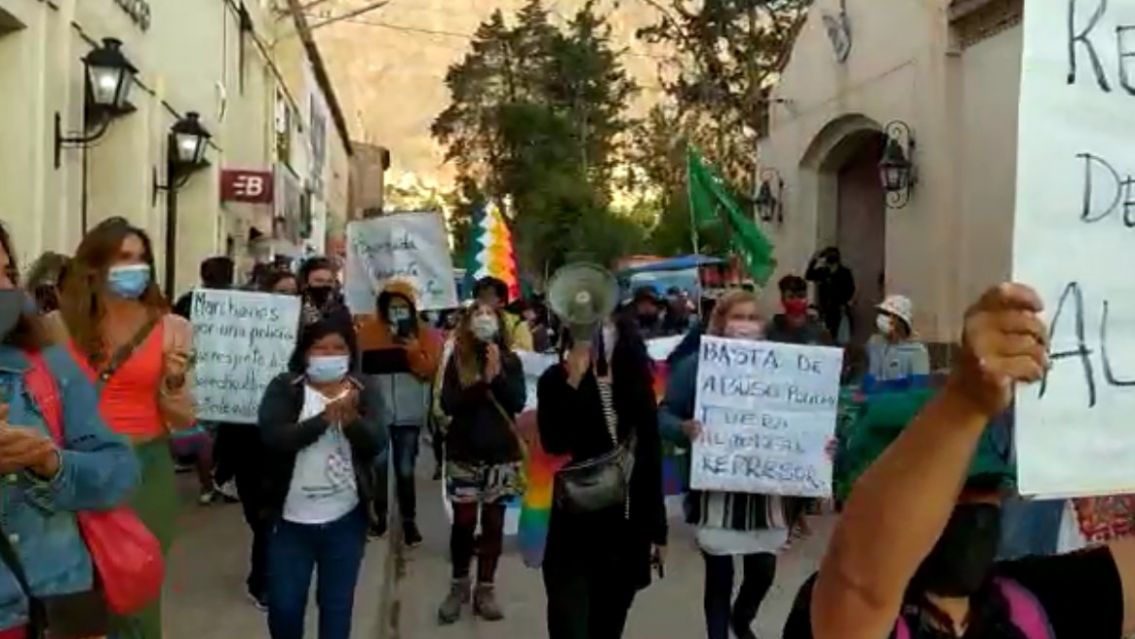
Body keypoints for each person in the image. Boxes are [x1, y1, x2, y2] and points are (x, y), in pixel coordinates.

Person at [788, 282, 1135, 639]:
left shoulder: (1030, 604)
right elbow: (863, 577)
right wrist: (967, 401)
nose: (978, 510)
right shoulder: (835, 615)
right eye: (949, 492)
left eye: (984, 487)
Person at [52, 217, 195, 639]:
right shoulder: (57, 328)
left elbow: (185, 418)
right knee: (80, 596)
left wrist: (171, 382)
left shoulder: (171, 328)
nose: (135, 268)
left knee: (137, 589)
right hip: (77, 470)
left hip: (144, 469)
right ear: (93, 266)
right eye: (122, 258)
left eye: (140, 259)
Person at [0, 222, 139, 639]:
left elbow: (119, 471)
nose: (5, 288)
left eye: (7, 273)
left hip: (53, 603)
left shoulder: (47, 367)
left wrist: (49, 463)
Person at [659, 289, 808, 639]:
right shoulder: (696, 366)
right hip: (718, 488)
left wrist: (817, 447)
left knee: (763, 570)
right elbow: (663, 413)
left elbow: (805, 416)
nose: (745, 326)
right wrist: (683, 428)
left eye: (752, 318)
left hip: (766, 489)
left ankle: (742, 619)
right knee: (719, 575)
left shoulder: (784, 367)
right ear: (721, 323)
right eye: (737, 318)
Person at [537, 313, 667, 639]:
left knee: (608, 626)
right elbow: (555, 441)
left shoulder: (636, 384)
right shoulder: (555, 381)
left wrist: (658, 530)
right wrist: (575, 381)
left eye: (605, 324)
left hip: (625, 529)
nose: (597, 333)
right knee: (569, 625)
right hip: (573, 529)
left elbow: (650, 458)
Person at [258, 318, 387, 639]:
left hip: (344, 521)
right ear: (305, 353)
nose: (329, 354)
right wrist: (323, 420)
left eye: (338, 348)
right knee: (285, 609)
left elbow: (377, 441)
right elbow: (274, 438)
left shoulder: (363, 388)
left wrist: (352, 420)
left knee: (336, 609)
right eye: (320, 348)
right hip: (289, 523)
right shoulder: (285, 387)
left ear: (350, 353)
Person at [437, 300, 526, 624]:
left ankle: (485, 588)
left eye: (490, 314)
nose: (485, 319)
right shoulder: (456, 361)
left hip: (501, 455)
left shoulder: (510, 360)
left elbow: (516, 400)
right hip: (464, 452)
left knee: (493, 523)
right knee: (463, 522)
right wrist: (481, 383)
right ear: (468, 322)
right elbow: (449, 404)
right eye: (478, 314)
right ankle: (459, 584)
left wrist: (498, 376)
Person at [355, 280, 441, 543]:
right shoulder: (366, 333)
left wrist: (414, 352)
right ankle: (380, 516)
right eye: (392, 307)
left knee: (405, 469)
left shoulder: (425, 334)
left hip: (409, 413)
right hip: (378, 412)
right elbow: (359, 373)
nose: (397, 312)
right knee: (379, 468)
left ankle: (409, 521)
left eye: (403, 307)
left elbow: (429, 372)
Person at [865, 294, 930, 392]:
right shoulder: (875, 343)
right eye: (882, 313)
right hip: (875, 404)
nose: (882, 317)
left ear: (901, 321)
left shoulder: (917, 352)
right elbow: (870, 378)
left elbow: (918, 390)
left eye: (888, 314)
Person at [806, 246, 855, 342]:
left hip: (839, 311)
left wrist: (846, 302)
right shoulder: (823, 272)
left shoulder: (845, 273)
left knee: (840, 339)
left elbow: (851, 289)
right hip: (824, 311)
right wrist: (814, 260)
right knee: (825, 338)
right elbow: (809, 275)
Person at [766, 274, 831, 345]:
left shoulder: (819, 329)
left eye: (801, 296)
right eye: (791, 297)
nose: (796, 301)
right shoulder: (773, 329)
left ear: (806, 298)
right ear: (783, 300)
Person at [474, 276, 533, 351]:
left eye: (487, 297)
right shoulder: (470, 323)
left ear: (502, 302)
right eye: (479, 297)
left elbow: (525, 355)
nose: (481, 302)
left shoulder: (517, 324)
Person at [299, 257, 350, 327]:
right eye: (319, 281)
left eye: (329, 281)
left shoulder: (341, 309)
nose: (325, 285)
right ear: (305, 283)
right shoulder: (296, 308)